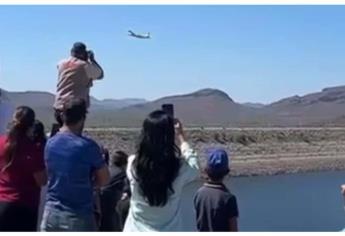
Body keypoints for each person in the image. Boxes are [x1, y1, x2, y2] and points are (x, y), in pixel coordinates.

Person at [123, 110, 200, 232]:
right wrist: (181, 138)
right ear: (169, 136)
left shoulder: (133, 165)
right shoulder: (178, 169)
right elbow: (195, 166)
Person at [40, 98, 110, 232]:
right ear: (82, 118)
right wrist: (89, 183)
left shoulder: (50, 142)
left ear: (63, 116)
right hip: (78, 215)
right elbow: (105, 179)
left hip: (51, 212)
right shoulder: (88, 146)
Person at [0, 106, 47, 231]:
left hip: (2, 202)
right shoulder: (32, 149)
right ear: (31, 125)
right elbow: (41, 180)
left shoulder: (1, 142)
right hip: (25, 207)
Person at [53, 42, 104, 128]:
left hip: (59, 105)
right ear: (83, 53)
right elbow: (100, 75)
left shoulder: (61, 63)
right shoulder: (84, 66)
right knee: (73, 134)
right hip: (75, 108)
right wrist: (92, 60)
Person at [194, 148, 239, 232]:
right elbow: (234, 229)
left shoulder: (199, 194)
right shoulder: (228, 198)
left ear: (206, 170)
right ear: (226, 172)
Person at [99, 150, 130, 231]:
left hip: (98, 202)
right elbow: (128, 189)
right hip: (109, 206)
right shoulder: (122, 174)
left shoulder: (108, 169)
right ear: (124, 164)